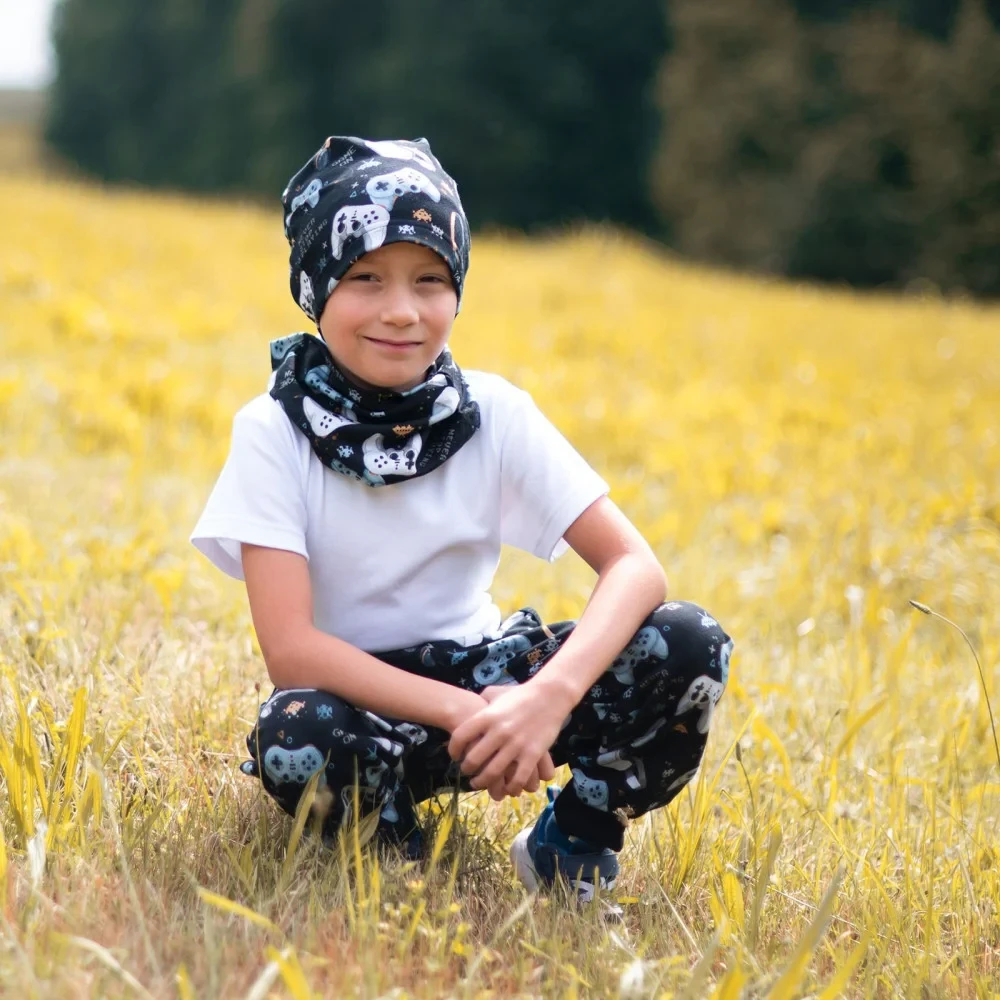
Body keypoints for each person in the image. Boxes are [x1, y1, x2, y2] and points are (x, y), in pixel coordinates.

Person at [190, 135, 732, 903]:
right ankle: (394, 845)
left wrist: (544, 699)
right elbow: (293, 650)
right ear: (316, 288)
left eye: (430, 280)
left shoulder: (494, 413)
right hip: (363, 704)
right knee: (295, 731)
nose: (401, 310)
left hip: (494, 677)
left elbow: (636, 567)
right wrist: (466, 712)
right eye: (365, 277)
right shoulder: (272, 431)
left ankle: (573, 842)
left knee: (688, 642)